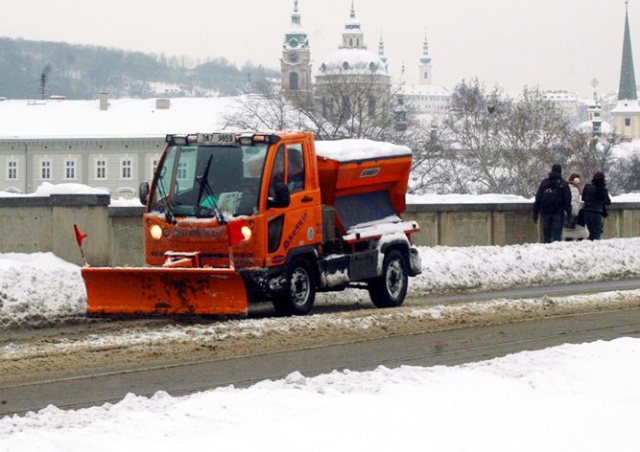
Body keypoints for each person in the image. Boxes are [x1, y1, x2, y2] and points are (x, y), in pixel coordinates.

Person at [532, 163, 572, 243]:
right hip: (558, 212)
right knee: (556, 236)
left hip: (545, 212)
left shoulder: (544, 183)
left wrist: (535, 213)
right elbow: (567, 200)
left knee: (547, 235)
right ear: (560, 172)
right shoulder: (563, 184)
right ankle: (555, 252)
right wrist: (569, 214)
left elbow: (538, 198)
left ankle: (547, 251)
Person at [581, 171, 612, 240]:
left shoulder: (587, 187)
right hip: (597, 213)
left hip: (586, 212)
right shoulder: (602, 189)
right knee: (596, 234)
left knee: (591, 232)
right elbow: (607, 202)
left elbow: (583, 198)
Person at [562, 173, 589, 241]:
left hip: (564, 213)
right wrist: (575, 213)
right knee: (574, 232)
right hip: (572, 214)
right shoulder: (574, 189)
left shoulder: (566, 187)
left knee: (567, 233)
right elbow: (573, 202)